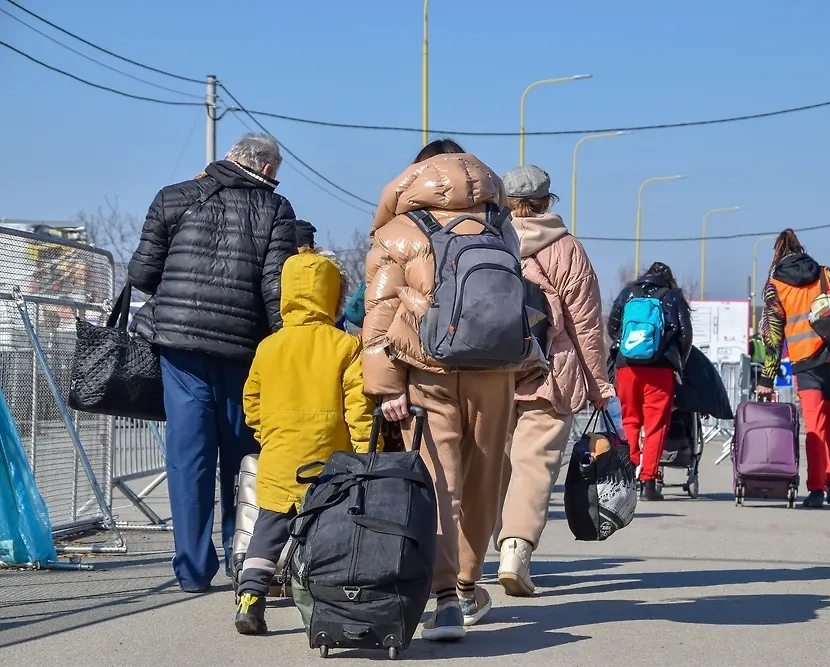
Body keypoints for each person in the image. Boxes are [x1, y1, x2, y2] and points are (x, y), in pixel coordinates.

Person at [362, 138, 546, 641]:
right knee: (485, 479)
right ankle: (468, 586)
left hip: (428, 373)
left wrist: (385, 388)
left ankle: (443, 601)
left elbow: (379, 316)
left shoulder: (398, 232)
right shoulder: (501, 225)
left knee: (438, 481)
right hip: (496, 370)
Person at [128, 133, 297, 592]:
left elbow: (142, 275)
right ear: (266, 169)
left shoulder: (173, 197)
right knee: (245, 456)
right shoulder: (276, 209)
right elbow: (275, 289)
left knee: (189, 458)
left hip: (180, 347)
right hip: (243, 351)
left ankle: (192, 570)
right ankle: (241, 557)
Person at [234, 248, 375, 634]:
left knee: (268, 528)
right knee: (330, 530)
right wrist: (365, 454)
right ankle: (328, 601)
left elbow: (252, 402)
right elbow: (358, 409)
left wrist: (269, 436)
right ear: (333, 296)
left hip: (280, 456)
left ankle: (250, 595)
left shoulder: (269, 346)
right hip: (329, 462)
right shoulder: (345, 346)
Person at [493, 165, 614, 597]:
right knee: (535, 467)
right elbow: (585, 325)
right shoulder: (566, 250)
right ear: (548, 201)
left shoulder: (487, 240)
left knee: (492, 469)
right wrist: (599, 386)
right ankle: (515, 552)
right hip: (549, 371)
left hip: (490, 373)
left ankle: (473, 561)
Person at [756, 229, 830, 509]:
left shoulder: (776, 285)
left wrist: (767, 377)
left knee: (815, 426)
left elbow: (773, 335)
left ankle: (815, 489)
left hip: (805, 362)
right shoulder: (827, 275)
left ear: (778, 255)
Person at [607, 262, 693, 501]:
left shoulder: (628, 292)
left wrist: (629, 347)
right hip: (659, 369)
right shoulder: (673, 296)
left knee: (629, 421)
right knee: (655, 426)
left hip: (627, 367)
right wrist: (677, 360)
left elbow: (612, 326)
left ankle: (628, 476)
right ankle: (648, 482)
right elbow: (685, 335)